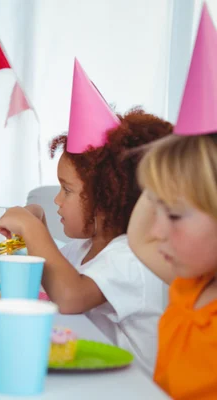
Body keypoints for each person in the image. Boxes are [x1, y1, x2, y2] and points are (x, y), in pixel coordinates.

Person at [0, 59, 171, 374]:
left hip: (132, 391)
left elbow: (70, 297)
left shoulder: (133, 255)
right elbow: (55, 277)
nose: (57, 200)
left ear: (107, 198)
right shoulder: (84, 247)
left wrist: (34, 230)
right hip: (91, 377)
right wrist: (40, 228)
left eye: (67, 190)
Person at [128, 5, 217, 397]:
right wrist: (174, 164)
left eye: (175, 214)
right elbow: (140, 238)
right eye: (157, 207)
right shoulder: (191, 288)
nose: (157, 229)